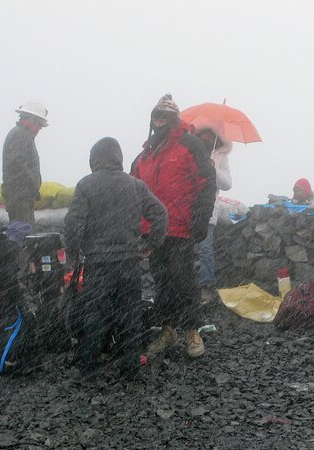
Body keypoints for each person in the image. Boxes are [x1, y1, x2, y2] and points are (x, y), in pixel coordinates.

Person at [65, 137, 167, 381]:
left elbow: (73, 224)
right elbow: (160, 213)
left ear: (94, 159)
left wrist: (73, 254)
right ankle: (130, 368)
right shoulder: (135, 185)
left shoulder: (86, 185)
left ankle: (89, 368)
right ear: (118, 158)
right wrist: (150, 245)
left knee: (94, 315)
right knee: (129, 316)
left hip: (98, 263)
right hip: (128, 263)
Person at [131, 94, 217, 358]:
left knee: (184, 281)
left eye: (165, 116)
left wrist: (201, 219)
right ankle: (168, 330)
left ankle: (192, 331)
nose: (160, 120)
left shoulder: (190, 145)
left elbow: (207, 182)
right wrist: (137, 227)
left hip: (181, 228)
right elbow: (134, 192)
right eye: (156, 115)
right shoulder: (145, 154)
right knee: (162, 282)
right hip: (154, 231)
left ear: (174, 119)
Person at [194, 127, 233, 303]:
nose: (207, 139)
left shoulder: (221, 158)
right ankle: (185, 285)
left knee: (205, 249)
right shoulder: (191, 152)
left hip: (208, 208)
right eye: (204, 135)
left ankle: (206, 286)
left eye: (210, 136)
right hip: (187, 207)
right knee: (184, 249)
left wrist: (213, 168)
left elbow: (227, 184)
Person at [2, 101, 49, 228]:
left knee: (24, 232)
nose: (39, 130)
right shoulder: (20, 135)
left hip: (21, 196)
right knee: (24, 233)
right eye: (39, 126)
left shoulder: (22, 135)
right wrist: (32, 185)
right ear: (32, 120)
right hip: (19, 197)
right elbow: (18, 164)